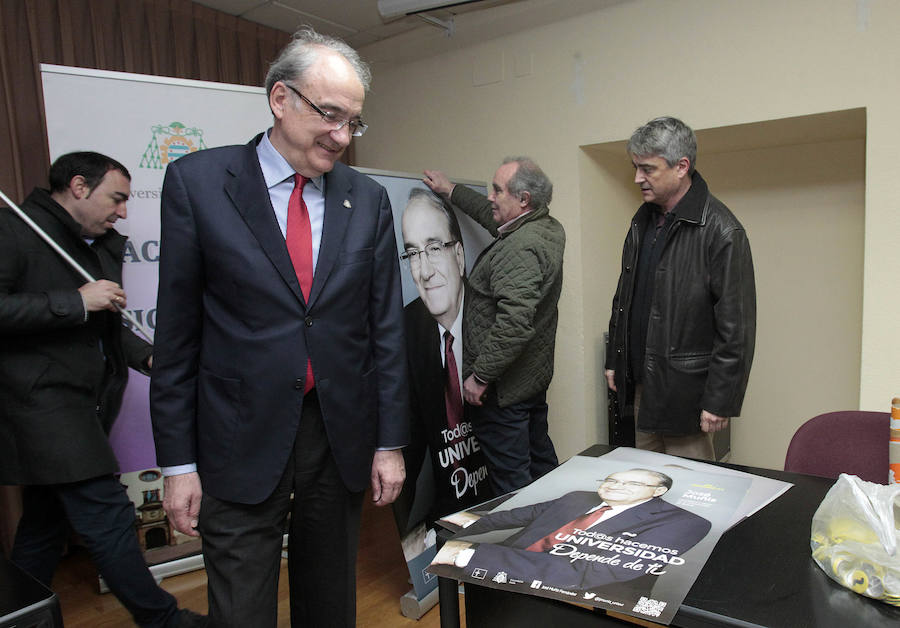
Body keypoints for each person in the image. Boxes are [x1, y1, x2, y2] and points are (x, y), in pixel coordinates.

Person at [149, 27, 409, 628]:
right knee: (239, 610)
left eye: (353, 122)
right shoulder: (199, 184)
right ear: (280, 99)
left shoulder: (366, 200)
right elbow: (179, 337)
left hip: (336, 433)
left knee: (329, 605)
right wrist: (178, 464)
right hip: (236, 435)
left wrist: (389, 441)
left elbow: (383, 332)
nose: (342, 136)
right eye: (330, 115)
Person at [0, 152, 205, 627]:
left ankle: (16, 617)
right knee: (108, 514)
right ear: (77, 186)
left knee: (43, 527)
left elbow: (109, 328)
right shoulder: (14, 230)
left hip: (85, 402)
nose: (124, 211)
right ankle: (165, 621)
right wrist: (73, 302)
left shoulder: (101, 245)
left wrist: (150, 358)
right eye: (116, 198)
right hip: (39, 404)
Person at [605, 117, 756, 460]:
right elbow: (625, 296)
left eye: (647, 169)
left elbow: (737, 326)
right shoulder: (642, 221)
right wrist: (616, 357)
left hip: (688, 392)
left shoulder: (721, 230)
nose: (637, 178)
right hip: (645, 384)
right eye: (635, 167)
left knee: (691, 492)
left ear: (681, 167)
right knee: (646, 483)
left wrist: (720, 400)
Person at [423, 159, 565, 495]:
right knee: (542, 469)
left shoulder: (520, 247)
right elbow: (495, 220)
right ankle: (556, 534)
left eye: (498, 190)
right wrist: (451, 190)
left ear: (524, 199)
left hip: (504, 392)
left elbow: (514, 322)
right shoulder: (545, 227)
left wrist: (481, 376)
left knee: (512, 485)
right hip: (529, 381)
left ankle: (522, 546)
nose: (490, 196)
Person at [434, 468, 710, 594]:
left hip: (581, 591)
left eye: (632, 484)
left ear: (658, 492)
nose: (615, 486)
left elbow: (595, 574)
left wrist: (470, 554)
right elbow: (519, 515)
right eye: (612, 480)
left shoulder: (686, 522)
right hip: (502, 568)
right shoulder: (580, 496)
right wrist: (464, 519)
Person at [399, 189, 490, 524]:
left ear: (460, 256)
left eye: (434, 249)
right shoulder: (405, 329)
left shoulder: (491, 319)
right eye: (412, 254)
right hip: (443, 503)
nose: (424, 271)